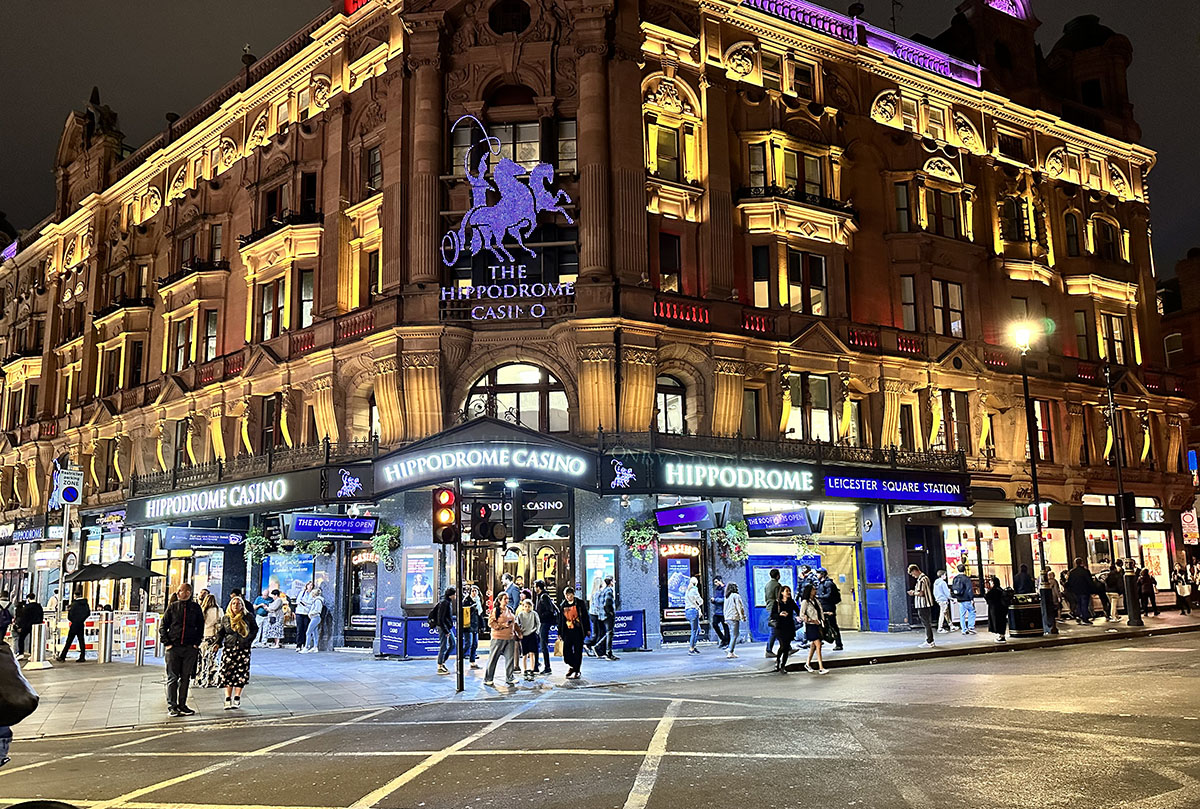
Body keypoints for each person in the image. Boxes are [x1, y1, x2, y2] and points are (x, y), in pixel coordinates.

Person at [160, 582, 205, 717]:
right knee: (173, 677)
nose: (181, 593)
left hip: (190, 648)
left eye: (184, 591)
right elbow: (163, 626)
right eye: (179, 591)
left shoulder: (195, 608)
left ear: (189, 592)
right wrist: (167, 643)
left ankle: (182, 705)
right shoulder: (172, 607)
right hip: (174, 648)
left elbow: (200, 626)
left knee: (185, 678)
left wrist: (196, 643)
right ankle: (172, 706)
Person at [216, 596, 257, 710]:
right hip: (229, 648)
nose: (236, 605)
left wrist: (248, 639)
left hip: (243, 649)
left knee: (240, 674)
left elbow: (255, 629)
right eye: (234, 603)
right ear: (230, 605)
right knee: (227, 673)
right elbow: (221, 632)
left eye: (238, 603)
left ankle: (237, 697)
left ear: (242, 605)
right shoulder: (226, 618)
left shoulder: (248, 617)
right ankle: (228, 698)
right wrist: (217, 643)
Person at [484, 593, 520, 687]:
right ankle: (488, 678)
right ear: (500, 600)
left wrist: (518, 632)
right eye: (505, 599)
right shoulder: (496, 610)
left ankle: (510, 677)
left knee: (510, 658)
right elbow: (491, 623)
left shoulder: (510, 609)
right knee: (493, 658)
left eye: (507, 598)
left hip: (510, 637)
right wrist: (502, 625)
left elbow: (514, 623)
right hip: (498, 638)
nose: (507, 600)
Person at [557, 586, 589, 679]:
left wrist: (587, 629)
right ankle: (573, 666)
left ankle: (576, 669)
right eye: (566, 595)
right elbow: (561, 620)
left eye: (569, 595)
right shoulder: (563, 605)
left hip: (578, 630)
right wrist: (559, 632)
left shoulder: (580, 603)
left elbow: (585, 617)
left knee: (578, 651)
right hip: (567, 631)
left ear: (573, 594)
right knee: (566, 652)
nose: (568, 597)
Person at [800, 583, 829, 674]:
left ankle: (807, 663)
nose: (815, 591)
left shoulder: (816, 601)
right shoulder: (805, 602)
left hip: (818, 625)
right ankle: (821, 667)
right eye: (813, 590)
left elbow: (820, 611)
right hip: (811, 626)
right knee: (818, 645)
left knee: (813, 645)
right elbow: (801, 614)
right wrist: (810, 620)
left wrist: (823, 618)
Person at [196, 592, 222, 687]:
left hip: (204, 636)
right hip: (214, 636)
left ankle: (201, 677)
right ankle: (212, 678)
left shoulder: (202, 611)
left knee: (203, 658)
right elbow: (221, 623)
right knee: (213, 658)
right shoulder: (219, 610)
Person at [769, 586, 798, 673]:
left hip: (789, 626)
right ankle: (778, 661)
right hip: (780, 627)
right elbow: (772, 615)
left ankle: (783, 666)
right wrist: (780, 614)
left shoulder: (791, 602)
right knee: (783, 646)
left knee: (786, 648)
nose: (788, 593)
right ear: (782, 593)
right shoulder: (777, 603)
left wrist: (800, 616)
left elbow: (797, 610)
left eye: (789, 591)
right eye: (787, 591)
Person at [57, 589, 90, 662]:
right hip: (81, 624)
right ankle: (82, 656)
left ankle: (63, 656)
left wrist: (74, 619)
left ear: (75, 596)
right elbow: (88, 613)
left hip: (74, 624)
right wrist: (82, 619)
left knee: (69, 641)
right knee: (81, 641)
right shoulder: (85, 603)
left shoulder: (74, 604)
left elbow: (69, 616)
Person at [907, 565, 935, 648]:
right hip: (926, 603)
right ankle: (930, 640)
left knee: (926, 623)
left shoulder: (922, 579)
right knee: (927, 622)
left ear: (915, 571)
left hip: (923, 604)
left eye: (912, 574)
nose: (913, 576)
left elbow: (921, 593)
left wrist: (913, 593)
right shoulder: (924, 578)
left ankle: (930, 641)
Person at [815, 569, 843, 651]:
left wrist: (819, 596)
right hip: (823, 606)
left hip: (828, 607)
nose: (817, 575)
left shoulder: (828, 583)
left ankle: (838, 643)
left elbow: (829, 595)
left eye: (818, 573)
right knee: (823, 625)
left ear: (822, 574)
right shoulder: (821, 583)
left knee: (833, 625)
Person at [533, 580, 557, 675]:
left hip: (544, 623)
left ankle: (547, 667)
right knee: (540, 644)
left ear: (538, 587)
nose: (534, 588)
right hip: (542, 623)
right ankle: (537, 664)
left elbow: (550, 610)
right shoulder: (541, 596)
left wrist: (540, 616)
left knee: (543, 645)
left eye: (535, 586)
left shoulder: (544, 596)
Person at [432, 587, 456, 674]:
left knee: (453, 644)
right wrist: (446, 631)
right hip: (443, 627)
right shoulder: (444, 603)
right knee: (444, 646)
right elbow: (440, 618)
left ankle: (442, 661)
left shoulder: (448, 602)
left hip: (447, 627)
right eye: (454, 594)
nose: (455, 596)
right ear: (451, 595)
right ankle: (440, 665)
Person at [516, 598, 541, 681]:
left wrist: (536, 632)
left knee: (532, 653)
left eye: (529, 606)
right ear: (523, 607)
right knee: (524, 654)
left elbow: (538, 623)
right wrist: (519, 632)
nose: (527, 608)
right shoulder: (520, 615)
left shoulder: (534, 614)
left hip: (532, 634)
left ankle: (532, 669)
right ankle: (525, 669)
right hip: (524, 635)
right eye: (525, 606)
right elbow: (517, 623)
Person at [595, 576, 618, 660]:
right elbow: (607, 603)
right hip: (607, 615)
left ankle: (598, 647)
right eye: (613, 580)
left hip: (602, 615)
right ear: (611, 582)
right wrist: (610, 612)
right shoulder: (609, 590)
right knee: (610, 633)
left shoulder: (603, 590)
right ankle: (608, 652)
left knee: (608, 633)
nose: (614, 582)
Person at [13, 594, 42, 659]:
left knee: (21, 638)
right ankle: (32, 654)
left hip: (26, 626)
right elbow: (41, 616)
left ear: (28, 598)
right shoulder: (39, 606)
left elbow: (23, 618)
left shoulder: (27, 607)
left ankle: (21, 653)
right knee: (34, 640)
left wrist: (20, 626)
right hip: (36, 625)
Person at [1066, 558, 1094, 624]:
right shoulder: (1085, 571)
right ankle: (1084, 618)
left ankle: (1078, 616)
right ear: (1081, 562)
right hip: (1085, 590)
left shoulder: (1072, 572)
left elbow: (1069, 582)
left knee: (1078, 603)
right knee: (1084, 604)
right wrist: (1092, 589)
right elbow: (1089, 581)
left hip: (1075, 591)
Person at [950, 564, 976, 634]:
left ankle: (963, 629)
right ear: (964, 570)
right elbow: (969, 589)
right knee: (972, 611)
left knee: (962, 615)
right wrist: (971, 599)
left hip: (960, 599)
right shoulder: (966, 578)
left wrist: (955, 597)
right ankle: (970, 627)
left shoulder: (955, 578)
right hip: (966, 599)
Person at [764, 568, 783, 658]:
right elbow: (778, 598)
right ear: (777, 575)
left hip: (768, 607)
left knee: (779, 629)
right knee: (774, 631)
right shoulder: (777, 585)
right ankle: (768, 650)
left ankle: (787, 646)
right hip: (774, 609)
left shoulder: (767, 585)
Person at [724, 582, 747, 658]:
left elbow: (724, 608)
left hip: (728, 617)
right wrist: (742, 617)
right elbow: (740, 607)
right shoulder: (736, 596)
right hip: (734, 617)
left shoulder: (727, 597)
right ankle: (730, 651)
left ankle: (730, 648)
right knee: (735, 635)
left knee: (733, 634)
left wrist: (725, 618)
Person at [984, 576, 1010, 642]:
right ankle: (1002, 635)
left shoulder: (993, 590)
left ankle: (1000, 636)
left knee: (996, 622)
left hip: (995, 609)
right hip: (1002, 609)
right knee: (1002, 622)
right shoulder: (1000, 590)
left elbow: (987, 597)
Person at [462, 585, 482, 669]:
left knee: (475, 644)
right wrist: (471, 608)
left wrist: (482, 626)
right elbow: (464, 612)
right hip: (468, 625)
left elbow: (480, 615)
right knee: (468, 644)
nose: (474, 593)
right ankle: (460, 657)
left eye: (476, 591)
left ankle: (473, 661)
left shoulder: (478, 601)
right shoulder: (466, 600)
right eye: (473, 591)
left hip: (475, 625)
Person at [584, 576, 605, 657]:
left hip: (593, 614)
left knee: (596, 633)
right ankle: (595, 647)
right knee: (599, 632)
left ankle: (589, 645)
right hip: (597, 614)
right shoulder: (598, 593)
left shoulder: (593, 592)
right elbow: (597, 606)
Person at [684, 576, 704, 655]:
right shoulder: (694, 590)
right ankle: (691, 648)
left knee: (698, 630)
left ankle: (694, 645)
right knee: (694, 631)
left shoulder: (687, 591)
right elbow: (699, 601)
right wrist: (701, 601)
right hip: (693, 611)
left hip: (688, 611)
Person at [302, 587, 325, 653]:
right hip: (315, 617)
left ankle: (306, 647)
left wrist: (311, 613)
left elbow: (317, 610)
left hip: (315, 617)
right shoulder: (317, 600)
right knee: (315, 633)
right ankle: (315, 647)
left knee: (308, 632)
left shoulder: (318, 601)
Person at [294, 582, 315, 651]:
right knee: (299, 629)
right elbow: (298, 601)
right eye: (309, 585)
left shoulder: (313, 594)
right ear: (306, 586)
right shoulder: (302, 593)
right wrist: (305, 603)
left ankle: (305, 644)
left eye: (312, 585)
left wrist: (304, 603)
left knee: (306, 629)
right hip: (299, 612)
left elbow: (311, 603)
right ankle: (298, 645)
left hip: (307, 613)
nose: (310, 587)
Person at [710, 576, 728, 650]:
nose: (715, 584)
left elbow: (725, 599)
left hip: (723, 611)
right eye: (714, 582)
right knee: (714, 624)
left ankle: (726, 641)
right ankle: (723, 639)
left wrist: (715, 600)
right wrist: (713, 601)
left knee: (725, 627)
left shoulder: (725, 588)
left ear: (720, 581)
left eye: (716, 582)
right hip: (717, 611)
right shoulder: (717, 589)